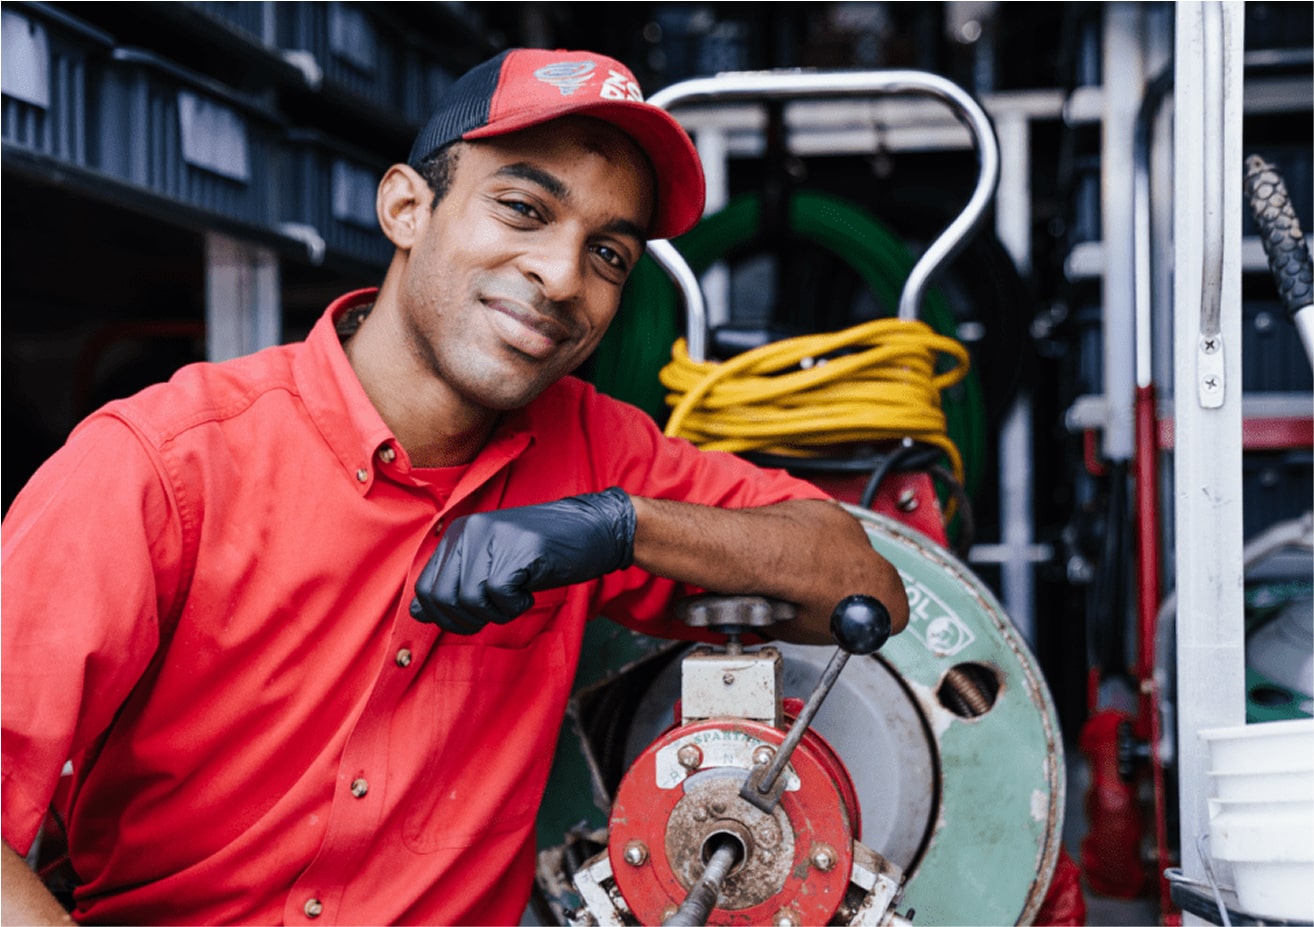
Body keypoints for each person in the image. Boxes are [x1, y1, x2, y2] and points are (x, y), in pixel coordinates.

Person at [1, 47, 908, 926]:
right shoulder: (161, 466)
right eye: (521, 208)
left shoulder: (593, 451)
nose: (560, 277)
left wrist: (619, 526)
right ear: (405, 206)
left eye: (609, 256)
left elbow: (865, 586)